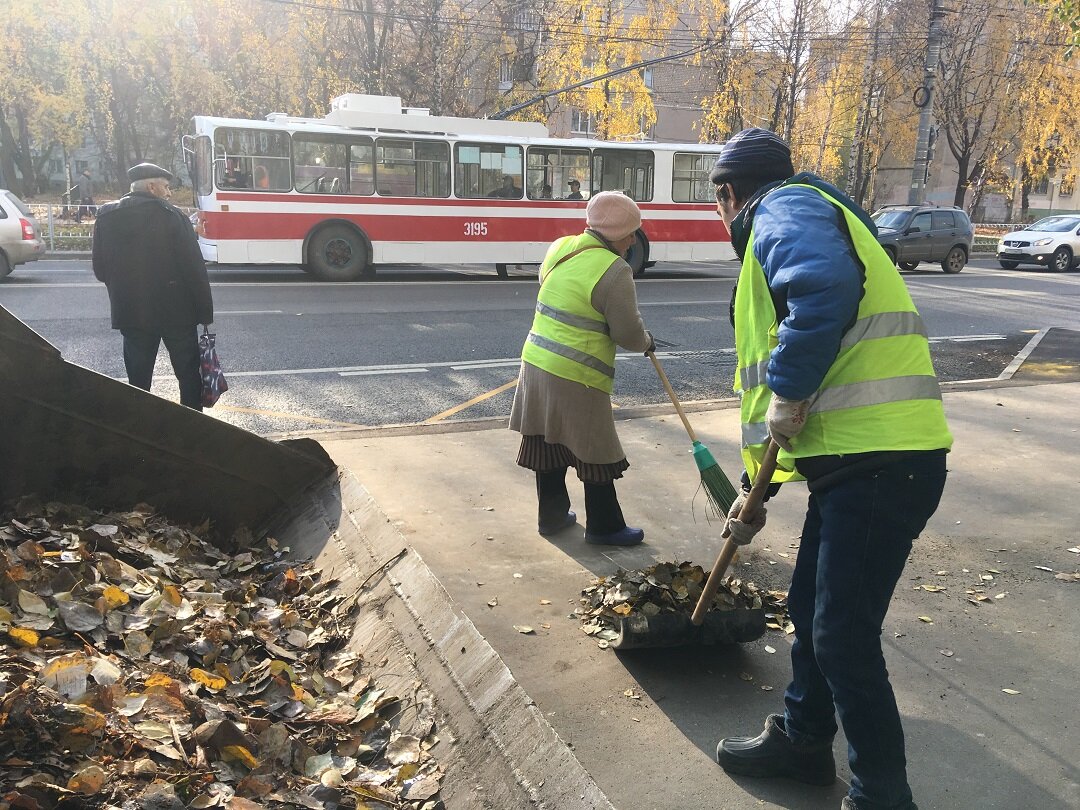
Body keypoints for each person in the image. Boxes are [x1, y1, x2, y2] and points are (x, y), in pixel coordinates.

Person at [709, 128, 952, 810]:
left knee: (842, 634)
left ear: (729, 194)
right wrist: (757, 493)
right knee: (812, 609)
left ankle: (882, 793)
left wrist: (789, 385)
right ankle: (804, 741)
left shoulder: (782, 209)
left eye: (719, 200)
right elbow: (783, 418)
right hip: (856, 461)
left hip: (883, 461)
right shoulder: (810, 210)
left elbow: (822, 290)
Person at [509, 191, 653, 546]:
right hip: (577, 373)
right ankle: (605, 527)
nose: (633, 240)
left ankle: (552, 517)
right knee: (596, 449)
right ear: (617, 232)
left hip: (536, 361)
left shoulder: (560, 247)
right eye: (631, 232)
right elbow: (627, 332)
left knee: (546, 440)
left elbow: (557, 291)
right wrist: (647, 341)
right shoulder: (614, 269)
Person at [92, 162, 214, 411]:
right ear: (152, 187)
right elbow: (194, 271)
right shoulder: (173, 217)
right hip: (177, 314)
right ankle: (193, 429)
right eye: (166, 187)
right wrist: (204, 314)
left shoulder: (106, 216)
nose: (169, 193)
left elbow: (100, 270)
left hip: (132, 313)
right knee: (188, 376)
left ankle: (139, 430)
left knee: (137, 380)